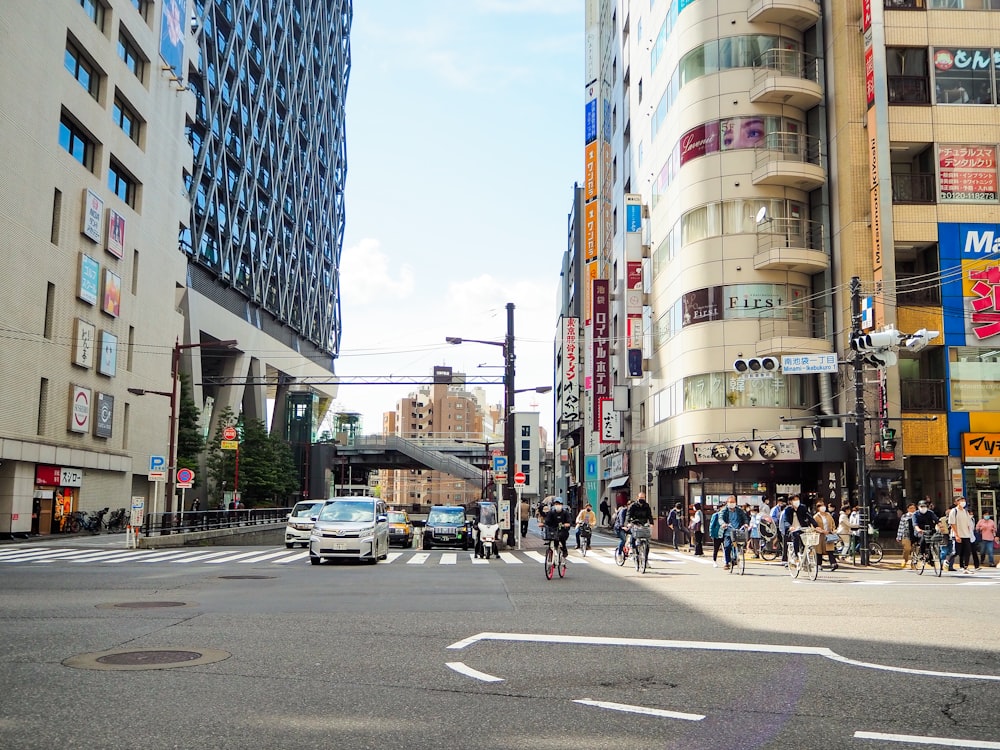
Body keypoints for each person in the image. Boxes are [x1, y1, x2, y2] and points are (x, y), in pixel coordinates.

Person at [781, 495, 817, 563]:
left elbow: (809, 516)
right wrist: (789, 527)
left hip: (803, 528)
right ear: (791, 501)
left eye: (797, 499)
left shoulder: (803, 507)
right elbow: (786, 520)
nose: (797, 501)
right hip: (793, 529)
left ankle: (806, 556)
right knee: (796, 536)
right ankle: (796, 554)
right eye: (795, 500)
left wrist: (815, 525)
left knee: (807, 539)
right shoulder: (788, 510)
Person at [948, 496, 979, 574]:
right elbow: (952, 523)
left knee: (967, 552)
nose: (963, 502)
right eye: (961, 500)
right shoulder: (954, 511)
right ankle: (947, 561)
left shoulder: (965, 511)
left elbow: (968, 523)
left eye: (964, 500)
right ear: (957, 502)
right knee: (956, 552)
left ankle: (965, 567)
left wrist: (969, 532)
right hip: (958, 534)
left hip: (966, 535)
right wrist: (956, 535)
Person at [719, 495, 749, 571]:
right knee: (727, 546)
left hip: (737, 531)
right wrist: (723, 524)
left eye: (733, 502)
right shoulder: (724, 510)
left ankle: (736, 558)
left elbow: (745, 517)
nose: (732, 504)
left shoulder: (739, 510)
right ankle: (727, 562)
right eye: (730, 502)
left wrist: (746, 523)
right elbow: (720, 518)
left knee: (738, 545)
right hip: (728, 531)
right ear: (727, 503)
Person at [813, 500, 839, 571]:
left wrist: (833, 530)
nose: (823, 507)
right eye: (821, 506)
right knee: (819, 550)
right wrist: (821, 531)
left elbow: (833, 523)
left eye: (823, 506)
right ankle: (819, 564)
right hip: (820, 535)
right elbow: (813, 526)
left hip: (829, 534)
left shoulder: (828, 515)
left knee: (830, 550)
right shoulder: (816, 516)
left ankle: (833, 563)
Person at [896, 503, 917, 569]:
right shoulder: (904, 516)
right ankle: (905, 560)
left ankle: (914, 563)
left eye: (913, 508)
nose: (912, 510)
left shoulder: (918, 515)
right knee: (907, 548)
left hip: (916, 534)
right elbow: (901, 526)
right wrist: (899, 536)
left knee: (915, 549)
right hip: (906, 534)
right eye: (910, 508)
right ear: (907, 509)